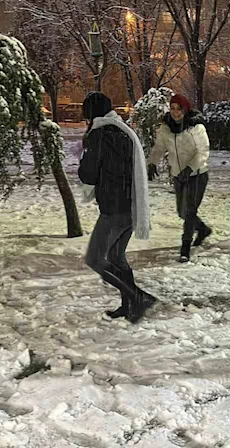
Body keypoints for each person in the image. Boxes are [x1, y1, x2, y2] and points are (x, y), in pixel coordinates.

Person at [78, 92, 156, 323]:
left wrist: (82, 160)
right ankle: (129, 306)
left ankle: (137, 297)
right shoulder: (123, 131)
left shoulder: (100, 135)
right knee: (116, 256)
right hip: (132, 206)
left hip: (114, 209)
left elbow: (89, 173)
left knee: (94, 259)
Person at [147, 94, 212, 263]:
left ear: (185, 109)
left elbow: (203, 151)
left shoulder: (196, 127)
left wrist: (190, 168)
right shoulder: (166, 127)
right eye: (173, 108)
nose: (176, 112)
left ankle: (185, 248)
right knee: (182, 212)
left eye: (179, 108)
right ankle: (203, 229)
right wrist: (152, 163)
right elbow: (159, 147)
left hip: (197, 174)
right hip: (177, 174)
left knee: (190, 211)